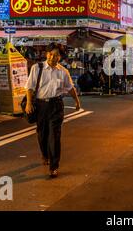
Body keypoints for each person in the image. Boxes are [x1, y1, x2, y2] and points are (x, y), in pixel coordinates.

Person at [25, 43, 81, 178]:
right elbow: (30, 87)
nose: (52, 57)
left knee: (54, 136)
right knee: (42, 134)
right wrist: (28, 103)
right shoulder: (36, 68)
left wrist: (77, 101)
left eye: (56, 55)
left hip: (56, 105)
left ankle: (54, 166)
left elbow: (70, 88)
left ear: (60, 57)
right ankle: (45, 154)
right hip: (40, 105)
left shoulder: (63, 71)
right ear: (46, 54)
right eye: (50, 54)